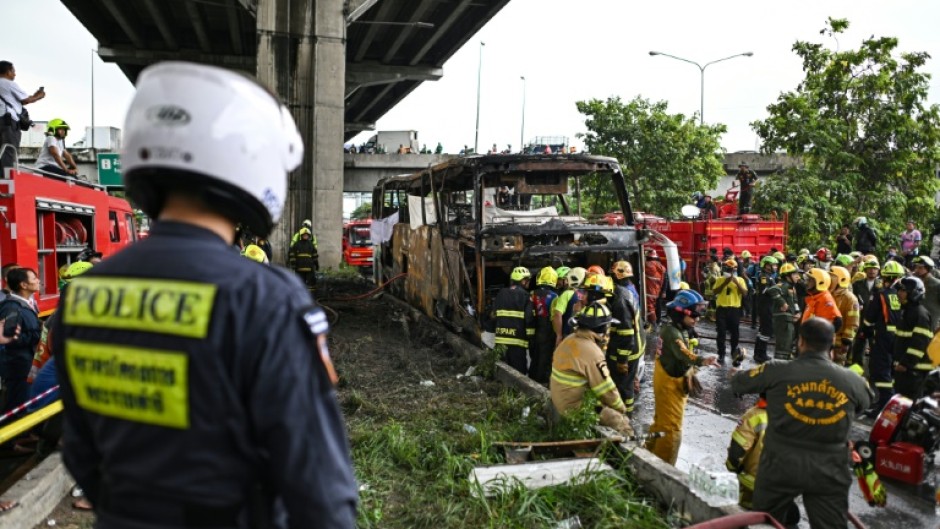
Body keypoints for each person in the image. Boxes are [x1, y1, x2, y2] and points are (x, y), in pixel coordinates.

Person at [52, 61, 357, 528]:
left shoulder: (83, 293)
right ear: (248, 156)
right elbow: (317, 486)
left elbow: (78, 446)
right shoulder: (263, 298)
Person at [730, 318, 871, 529]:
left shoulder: (776, 370)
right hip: (829, 468)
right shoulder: (852, 381)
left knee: (766, 522)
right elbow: (865, 403)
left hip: (780, 466)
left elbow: (739, 383)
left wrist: (736, 372)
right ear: (831, 343)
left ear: (801, 342)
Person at [645, 289, 718, 465]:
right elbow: (683, 353)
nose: (697, 319)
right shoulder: (672, 333)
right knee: (671, 428)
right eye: (694, 315)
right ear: (680, 313)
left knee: (660, 421)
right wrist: (703, 360)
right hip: (669, 385)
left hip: (670, 380)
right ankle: (662, 467)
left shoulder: (676, 329)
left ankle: (647, 453)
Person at [550, 302, 633, 436]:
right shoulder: (592, 352)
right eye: (607, 327)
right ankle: (630, 452)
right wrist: (621, 410)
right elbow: (606, 389)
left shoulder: (569, 339)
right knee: (619, 421)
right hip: (572, 407)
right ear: (601, 329)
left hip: (560, 399)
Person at [859, 259, 905, 415]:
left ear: (884, 277)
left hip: (883, 337)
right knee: (891, 371)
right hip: (898, 338)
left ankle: (884, 405)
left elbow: (868, 319)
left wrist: (864, 333)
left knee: (880, 370)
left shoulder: (880, 295)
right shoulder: (902, 296)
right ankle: (884, 402)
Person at [0, 267, 42, 414]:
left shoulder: (26, 303)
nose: (38, 280)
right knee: (17, 401)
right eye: (34, 279)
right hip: (17, 365)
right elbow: (9, 337)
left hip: (25, 361)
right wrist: (38, 334)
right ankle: (16, 435)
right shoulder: (12, 307)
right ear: (23, 285)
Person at [608, 261, 642, 411]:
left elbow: (626, 333)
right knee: (626, 382)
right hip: (634, 346)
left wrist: (622, 360)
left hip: (628, 349)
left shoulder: (620, 298)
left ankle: (625, 415)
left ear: (617, 276)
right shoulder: (629, 289)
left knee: (623, 386)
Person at [0, 61, 45, 171]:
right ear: (7, 71)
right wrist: (39, 95)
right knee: (9, 150)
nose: (14, 74)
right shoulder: (8, 83)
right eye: (13, 71)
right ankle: (6, 179)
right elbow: (26, 100)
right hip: (8, 122)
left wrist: (33, 96)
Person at [893, 276, 932, 399]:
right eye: (899, 290)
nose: (899, 293)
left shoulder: (919, 314)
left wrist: (905, 363)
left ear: (913, 293)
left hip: (914, 369)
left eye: (903, 291)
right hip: (907, 368)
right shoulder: (907, 311)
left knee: (909, 403)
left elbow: (919, 343)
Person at [725, 393, 767, 509]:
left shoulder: (754, 416)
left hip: (753, 487)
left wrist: (733, 468)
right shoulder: (796, 417)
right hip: (783, 491)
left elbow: (737, 450)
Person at [493, 266, 535, 374]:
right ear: (523, 281)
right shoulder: (526, 296)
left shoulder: (501, 293)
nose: (528, 282)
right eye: (527, 280)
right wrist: (530, 337)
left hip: (501, 340)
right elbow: (529, 318)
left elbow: (494, 314)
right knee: (518, 372)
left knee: (501, 371)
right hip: (517, 342)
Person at [713, 258, 748, 364]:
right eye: (729, 270)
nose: (730, 272)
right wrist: (725, 282)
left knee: (735, 333)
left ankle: (733, 352)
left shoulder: (740, 280)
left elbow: (745, 293)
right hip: (722, 309)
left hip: (734, 309)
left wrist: (736, 283)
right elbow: (715, 291)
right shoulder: (719, 279)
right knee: (721, 332)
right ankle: (721, 354)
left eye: (732, 270)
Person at [528, 267, 559, 383]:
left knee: (534, 356)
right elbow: (554, 315)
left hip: (534, 327)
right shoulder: (554, 296)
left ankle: (531, 378)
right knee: (545, 358)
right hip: (547, 329)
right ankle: (541, 381)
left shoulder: (532, 294)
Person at [767, 263, 801, 360]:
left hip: (789, 319)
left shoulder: (792, 287)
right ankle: (779, 366)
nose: (798, 276)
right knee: (783, 346)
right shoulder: (783, 285)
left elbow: (795, 302)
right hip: (782, 320)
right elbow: (772, 290)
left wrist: (798, 312)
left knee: (788, 343)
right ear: (787, 276)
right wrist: (782, 303)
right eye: (795, 274)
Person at [829, 266, 860, 366]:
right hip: (825, 342)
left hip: (839, 345)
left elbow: (853, 323)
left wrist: (846, 342)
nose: (829, 279)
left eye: (832, 277)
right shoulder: (827, 294)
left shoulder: (850, 298)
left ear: (841, 280)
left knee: (836, 373)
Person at [752, 256, 779, 364]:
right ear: (767, 265)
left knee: (762, 330)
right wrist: (778, 287)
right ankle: (761, 354)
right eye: (774, 265)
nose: (775, 267)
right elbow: (765, 290)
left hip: (766, 306)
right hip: (765, 306)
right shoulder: (764, 277)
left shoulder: (769, 276)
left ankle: (757, 353)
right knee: (767, 330)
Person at [912, 256, 940, 331]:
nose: (917, 270)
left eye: (920, 268)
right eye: (916, 267)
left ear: (928, 269)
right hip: (915, 325)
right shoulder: (914, 284)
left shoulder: (937, 285)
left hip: (932, 326)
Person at [644, 250, 666, 325]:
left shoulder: (649, 265)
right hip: (656, 290)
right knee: (653, 306)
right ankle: (656, 322)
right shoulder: (661, 267)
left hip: (649, 290)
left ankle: (653, 324)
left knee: (650, 307)